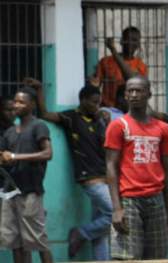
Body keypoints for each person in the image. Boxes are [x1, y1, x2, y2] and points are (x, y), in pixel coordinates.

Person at [27, 78, 111, 260]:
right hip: (89, 178)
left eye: (99, 103)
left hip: (105, 177)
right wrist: (40, 90)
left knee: (101, 229)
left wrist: (104, 120)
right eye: (94, 102)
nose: (97, 106)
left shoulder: (99, 120)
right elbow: (45, 113)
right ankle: (80, 233)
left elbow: (106, 147)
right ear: (83, 100)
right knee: (115, 215)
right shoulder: (71, 117)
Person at [105, 76, 168, 260]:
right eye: (130, 91)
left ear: (149, 94)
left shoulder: (163, 128)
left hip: (156, 200)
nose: (134, 94)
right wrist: (116, 209)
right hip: (129, 200)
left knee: (157, 257)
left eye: (139, 90)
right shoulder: (118, 126)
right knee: (127, 257)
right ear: (125, 95)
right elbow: (111, 167)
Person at [0, 87, 53, 263]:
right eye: (15, 101)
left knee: (37, 240)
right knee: (15, 242)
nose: (17, 105)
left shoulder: (38, 126)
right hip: (10, 192)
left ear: (32, 104)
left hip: (31, 191)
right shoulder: (9, 132)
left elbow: (47, 154)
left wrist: (15, 157)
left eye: (21, 102)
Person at [93, 27, 148, 109]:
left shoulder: (141, 66)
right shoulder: (106, 62)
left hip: (130, 110)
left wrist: (113, 50)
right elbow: (96, 85)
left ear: (138, 44)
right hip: (108, 109)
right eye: (128, 39)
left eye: (134, 40)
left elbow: (134, 82)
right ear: (122, 41)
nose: (130, 43)